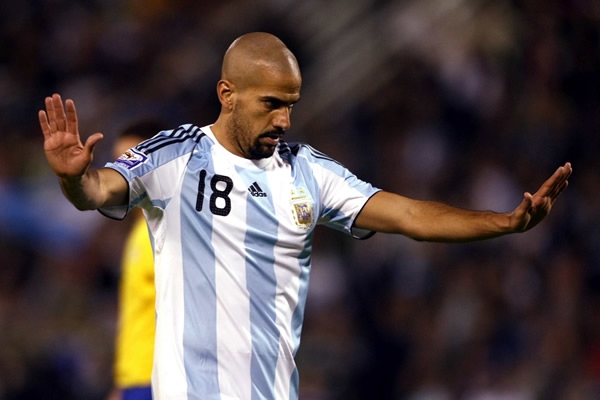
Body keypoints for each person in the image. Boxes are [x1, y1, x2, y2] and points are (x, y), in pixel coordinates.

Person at [38, 32, 572, 400]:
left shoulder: (308, 172)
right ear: (227, 94)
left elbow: (409, 214)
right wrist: (72, 177)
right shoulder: (177, 156)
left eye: (290, 104)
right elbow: (98, 190)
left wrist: (503, 223)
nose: (284, 120)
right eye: (271, 103)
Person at [107, 119, 168, 400]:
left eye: (131, 163)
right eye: (117, 164)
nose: (121, 174)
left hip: (161, 380)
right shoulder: (139, 228)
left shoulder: (169, 229)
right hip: (137, 380)